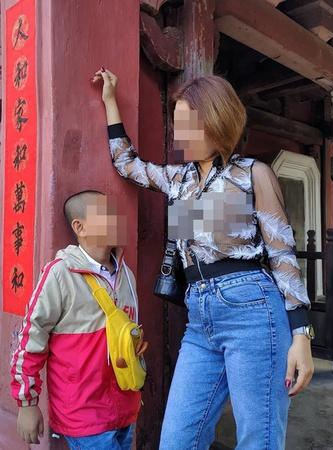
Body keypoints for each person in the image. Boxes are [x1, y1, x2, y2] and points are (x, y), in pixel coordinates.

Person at [93, 68, 314, 450]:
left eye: (189, 125)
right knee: (177, 441)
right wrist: (111, 100)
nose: (180, 136)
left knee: (257, 440)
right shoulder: (179, 180)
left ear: (217, 122)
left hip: (253, 309)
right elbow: (126, 164)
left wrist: (301, 334)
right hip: (199, 318)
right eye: (178, 125)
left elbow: (282, 253)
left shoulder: (252, 175)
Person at [11, 190, 147, 450]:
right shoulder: (60, 273)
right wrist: (27, 404)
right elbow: (31, 337)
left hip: (125, 407)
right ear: (80, 227)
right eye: (107, 214)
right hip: (84, 411)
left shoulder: (125, 274)